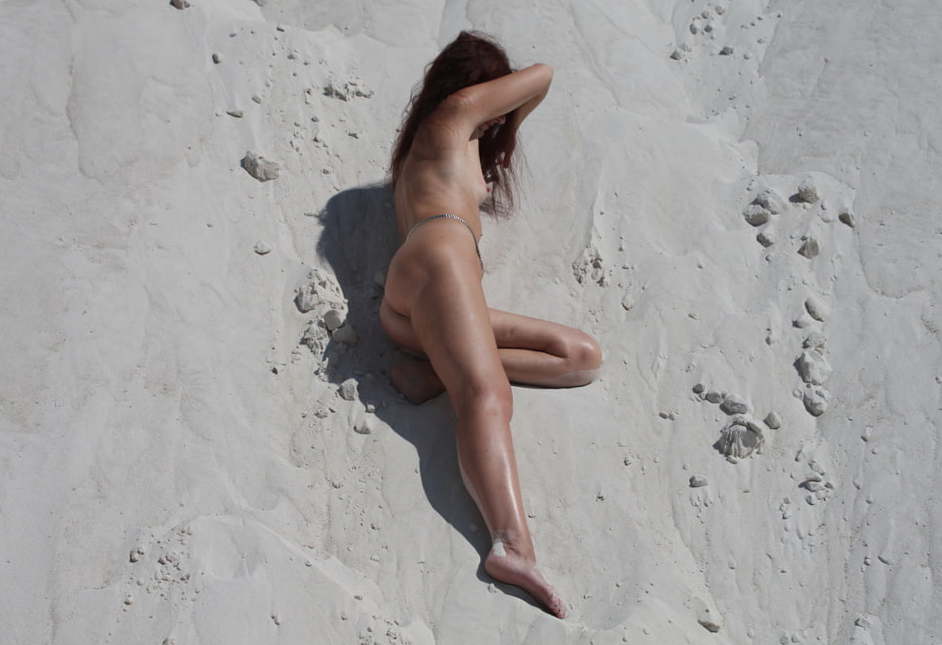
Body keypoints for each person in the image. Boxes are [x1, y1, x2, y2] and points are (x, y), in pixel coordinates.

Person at [379, 31, 602, 619]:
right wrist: (508, 124)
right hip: (439, 263)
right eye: (493, 97)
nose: (500, 113)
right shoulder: (451, 118)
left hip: (432, 299)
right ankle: (512, 545)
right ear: (475, 89)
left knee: (579, 357)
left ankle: (433, 369)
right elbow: (543, 75)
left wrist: (494, 137)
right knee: (488, 396)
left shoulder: (449, 143)